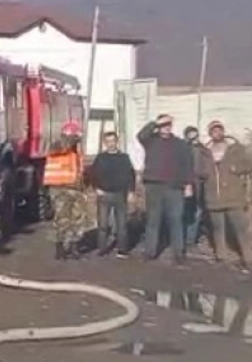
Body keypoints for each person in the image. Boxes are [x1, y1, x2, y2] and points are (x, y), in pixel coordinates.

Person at [137, 114, 195, 266]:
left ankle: (178, 253)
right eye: (164, 124)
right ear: (159, 126)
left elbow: (187, 165)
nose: (167, 127)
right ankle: (150, 252)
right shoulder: (150, 141)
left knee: (176, 220)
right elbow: (141, 135)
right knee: (153, 220)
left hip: (174, 187)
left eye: (169, 124)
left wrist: (188, 184)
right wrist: (155, 123)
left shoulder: (180, 144)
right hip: (153, 186)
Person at [195, 119, 252, 273]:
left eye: (219, 130)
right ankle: (221, 257)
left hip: (234, 197)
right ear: (210, 134)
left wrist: (235, 168)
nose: (217, 133)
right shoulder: (205, 152)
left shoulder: (235, 149)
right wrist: (205, 173)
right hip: (214, 197)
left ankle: (248, 258)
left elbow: (248, 165)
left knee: (241, 229)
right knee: (218, 229)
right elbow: (199, 171)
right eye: (213, 131)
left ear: (223, 131)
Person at [45, 120, 92, 260]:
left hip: (76, 188)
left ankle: (73, 247)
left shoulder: (76, 151)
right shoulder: (57, 146)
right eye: (76, 137)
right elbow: (62, 148)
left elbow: (79, 169)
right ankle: (60, 248)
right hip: (60, 189)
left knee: (78, 219)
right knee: (61, 219)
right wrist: (72, 138)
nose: (78, 140)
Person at [86, 130, 136, 257]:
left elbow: (131, 175)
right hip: (104, 194)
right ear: (105, 143)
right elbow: (92, 174)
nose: (111, 144)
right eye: (108, 142)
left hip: (120, 194)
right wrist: (96, 188)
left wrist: (131, 191)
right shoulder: (100, 158)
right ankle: (102, 249)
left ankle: (122, 250)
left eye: (113, 141)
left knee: (122, 224)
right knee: (103, 224)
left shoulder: (124, 158)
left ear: (117, 142)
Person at [182, 126, 209, 253]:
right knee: (183, 212)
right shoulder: (182, 148)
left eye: (195, 135)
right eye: (191, 135)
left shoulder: (202, 149)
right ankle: (181, 238)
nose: (194, 138)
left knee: (196, 212)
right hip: (185, 184)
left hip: (199, 184)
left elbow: (207, 164)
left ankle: (190, 240)